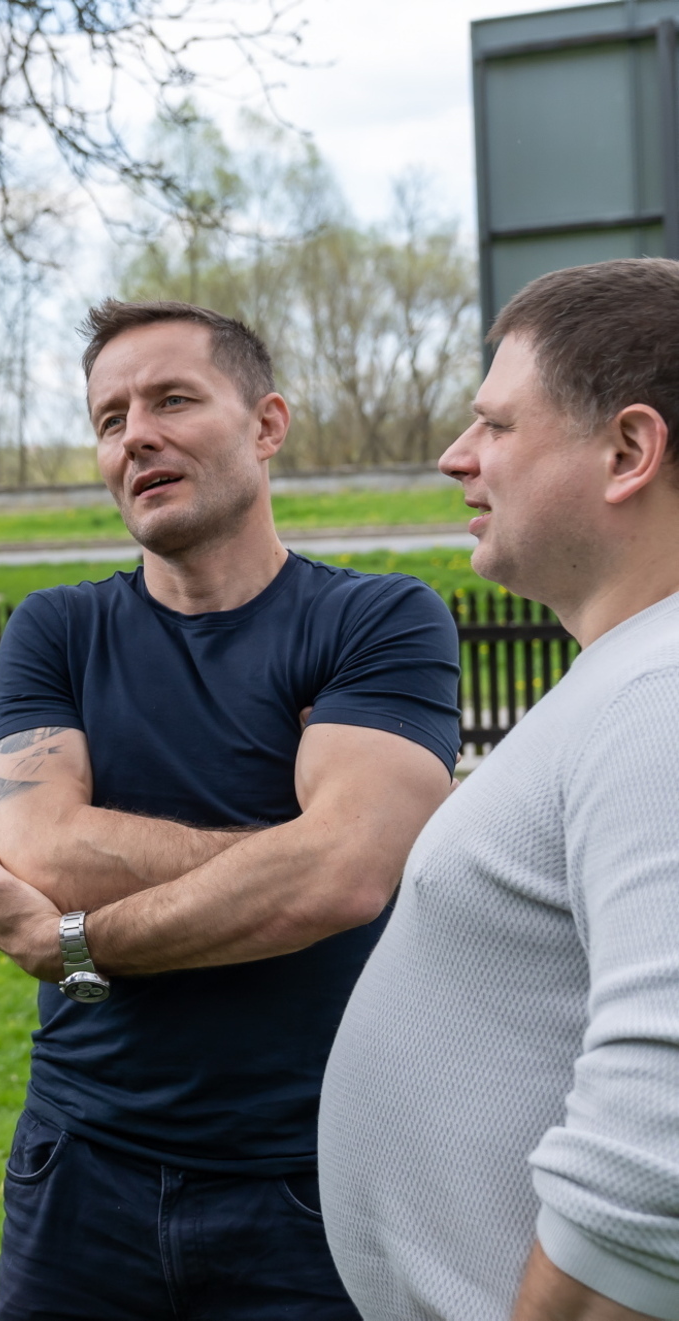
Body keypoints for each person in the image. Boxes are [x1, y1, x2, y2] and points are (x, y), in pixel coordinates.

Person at [0, 298, 462, 1319]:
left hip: (310, 1176)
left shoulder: (376, 619)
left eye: (173, 400)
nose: (135, 436)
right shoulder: (57, 631)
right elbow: (40, 847)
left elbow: (344, 878)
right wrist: (297, 848)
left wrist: (75, 940)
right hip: (80, 1171)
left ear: (267, 424)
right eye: (110, 419)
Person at [320, 258, 679, 1321]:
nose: (457, 455)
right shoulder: (634, 674)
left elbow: (658, 1142)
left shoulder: (661, 695)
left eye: (497, 423)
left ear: (628, 451)